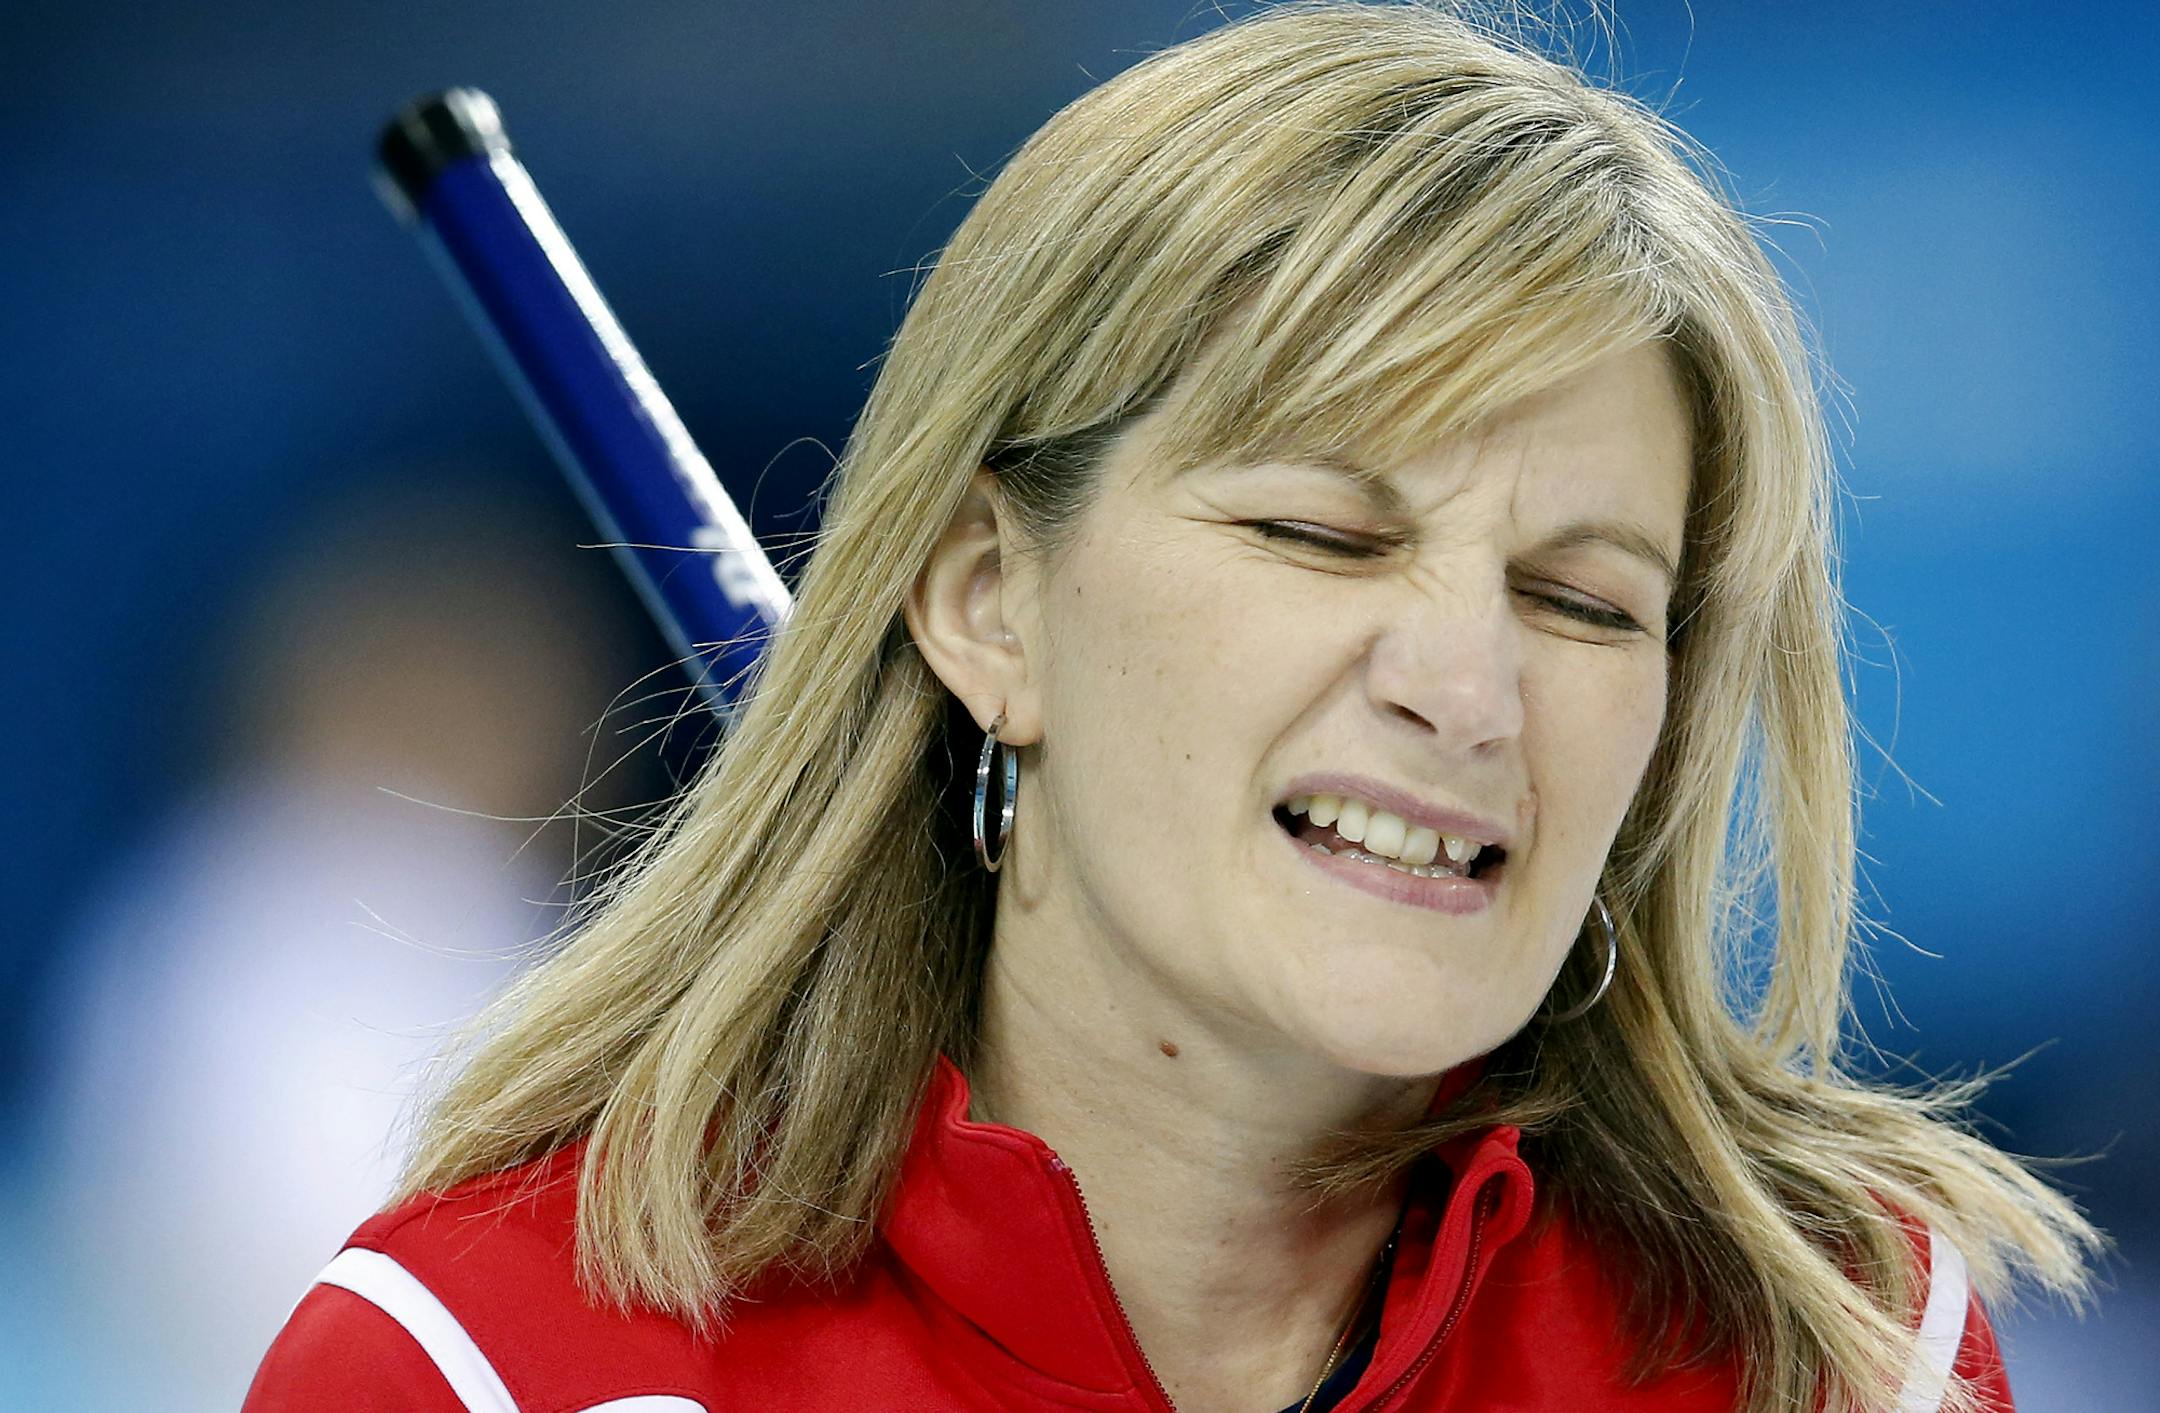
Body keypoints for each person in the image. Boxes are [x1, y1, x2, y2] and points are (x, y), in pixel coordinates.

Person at [243, 4, 2100, 1410]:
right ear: (987, 601)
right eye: (1318, 531)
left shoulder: (1840, 1351)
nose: (1467, 689)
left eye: (1578, 599)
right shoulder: (488, 1365)